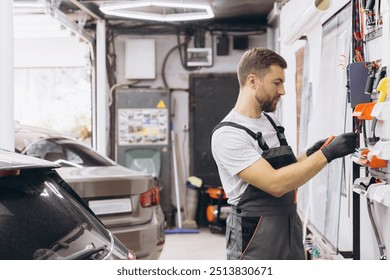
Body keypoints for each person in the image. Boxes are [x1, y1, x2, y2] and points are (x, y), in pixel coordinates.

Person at [211, 47, 357, 260]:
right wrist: (326, 154)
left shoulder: (271, 121)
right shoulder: (229, 134)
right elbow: (275, 184)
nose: (282, 91)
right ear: (252, 81)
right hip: (255, 236)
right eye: (276, 82)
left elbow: (285, 172)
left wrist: (309, 154)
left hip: (289, 227)